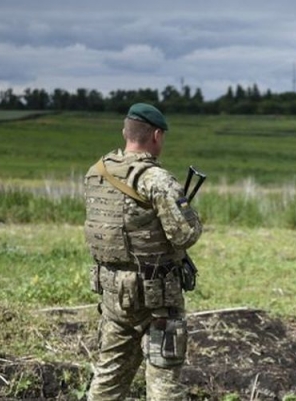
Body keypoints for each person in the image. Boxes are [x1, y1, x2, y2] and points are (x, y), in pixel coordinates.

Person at [83, 103, 203, 400]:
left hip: (112, 292)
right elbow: (185, 234)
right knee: (163, 382)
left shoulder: (96, 173)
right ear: (157, 136)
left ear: (125, 132)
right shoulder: (157, 180)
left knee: (108, 378)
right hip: (157, 296)